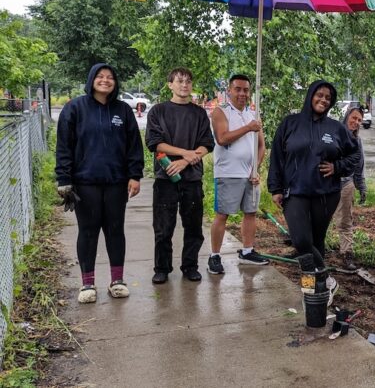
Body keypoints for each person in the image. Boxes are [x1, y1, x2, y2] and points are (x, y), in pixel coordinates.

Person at [55, 63, 144, 303]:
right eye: (100, 76)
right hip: (85, 184)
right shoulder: (75, 108)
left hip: (116, 183)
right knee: (88, 232)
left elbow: (134, 146)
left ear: (115, 83)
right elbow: (64, 146)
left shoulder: (123, 111)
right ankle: (87, 284)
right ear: (91, 79)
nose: (105, 80)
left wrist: (135, 175)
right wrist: (64, 178)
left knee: (115, 231)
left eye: (110, 77)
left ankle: (117, 281)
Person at [268, 80, 359, 296]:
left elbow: (354, 155)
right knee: (301, 241)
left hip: (326, 194)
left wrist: (337, 167)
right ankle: (326, 279)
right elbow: (277, 157)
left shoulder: (336, 128)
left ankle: (312, 290)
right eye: (320, 95)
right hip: (295, 192)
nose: (323, 100)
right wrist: (275, 188)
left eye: (328, 98)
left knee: (317, 242)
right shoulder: (290, 123)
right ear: (310, 95)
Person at [145, 68, 215, 284]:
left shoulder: (199, 113)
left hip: (192, 179)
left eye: (188, 81)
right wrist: (185, 152)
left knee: (193, 227)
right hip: (166, 178)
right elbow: (155, 143)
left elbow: (207, 144)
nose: (184, 85)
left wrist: (185, 161)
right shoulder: (158, 111)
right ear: (170, 85)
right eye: (179, 81)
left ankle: (190, 266)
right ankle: (162, 268)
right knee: (163, 227)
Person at [207, 74, 269, 275]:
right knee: (222, 214)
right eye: (238, 89)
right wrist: (248, 128)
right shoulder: (221, 112)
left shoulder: (253, 115)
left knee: (250, 212)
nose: (242, 93)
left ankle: (248, 251)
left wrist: (256, 169)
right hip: (228, 173)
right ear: (230, 91)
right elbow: (223, 138)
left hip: (249, 176)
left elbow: (261, 147)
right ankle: (214, 256)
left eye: (245, 90)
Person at [332, 106, 367, 270]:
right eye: (354, 118)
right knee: (317, 219)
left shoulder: (357, 141)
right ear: (346, 117)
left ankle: (347, 254)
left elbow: (359, 166)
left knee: (345, 221)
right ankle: (308, 249)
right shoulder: (333, 134)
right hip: (325, 183)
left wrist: (361, 186)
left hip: (346, 184)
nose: (356, 122)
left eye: (359, 120)